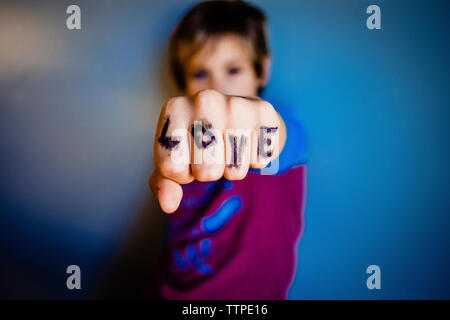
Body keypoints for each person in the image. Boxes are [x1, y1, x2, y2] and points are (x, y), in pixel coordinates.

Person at [149, 0, 307, 299]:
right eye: (199, 73)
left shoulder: (286, 122)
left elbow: (281, 140)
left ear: (262, 70)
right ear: (182, 81)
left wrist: (266, 128)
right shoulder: (183, 142)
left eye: (233, 69)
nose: (216, 86)